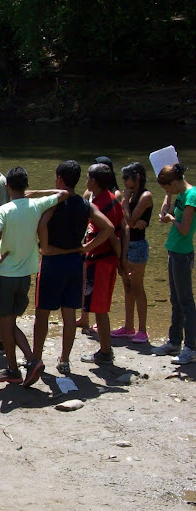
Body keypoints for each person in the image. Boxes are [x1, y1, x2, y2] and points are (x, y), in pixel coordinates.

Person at [0, 167, 69, 384]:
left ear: (7, 186)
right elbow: (64, 194)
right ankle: (15, 368)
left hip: (4, 274)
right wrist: (37, 193)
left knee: (4, 325)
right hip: (26, 274)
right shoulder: (37, 204)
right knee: (9, 323)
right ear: (26, 186)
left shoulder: (3, 210)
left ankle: (29, 361)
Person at [33, 160, 113, 376]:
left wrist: (46, 247)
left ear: (59, 178)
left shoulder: (53, 202)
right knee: (69, 314)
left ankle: (37, 358)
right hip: (76, 262)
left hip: (52, 262)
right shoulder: (85, 204)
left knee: (42, 313)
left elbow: (41, 225)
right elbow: (109, 227)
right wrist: (87, 247)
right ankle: (64, 360)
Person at [79, 163, 127, 366]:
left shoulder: (100, 203)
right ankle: (105, 350)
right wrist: (122, 260)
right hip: (108, 260)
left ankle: (105, 352)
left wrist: (86, 247)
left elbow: (109, 232)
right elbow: (123, 229)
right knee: (101, 307)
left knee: (99, 309)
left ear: (95, 182)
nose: (86, 180)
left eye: (89, 177)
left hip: (100, 261)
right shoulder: (111, 199)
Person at [152, 163, 196, 364]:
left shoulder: (191, 196)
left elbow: (185, 229)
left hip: (182, 254)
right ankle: (174, 341)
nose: (166, 192)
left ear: (176, 182)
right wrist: (168, 199)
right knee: (175, 300)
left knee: (186, 302)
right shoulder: (178, 194)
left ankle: (191, 347)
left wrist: (171, 219)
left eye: (167, 188)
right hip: (173, 250)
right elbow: (164, 215)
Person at [111, 162, 154, 343]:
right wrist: (129, 215)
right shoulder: (132, 195)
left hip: (137, 245)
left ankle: (143, 330)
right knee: (127, 287)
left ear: (137, 177)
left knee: (137, 287)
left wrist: (125, 202)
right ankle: (129, 326)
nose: (124, 182)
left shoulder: (145, 196)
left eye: (126, 178)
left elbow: (129, 219)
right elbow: (126, 221)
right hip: (127, 243)